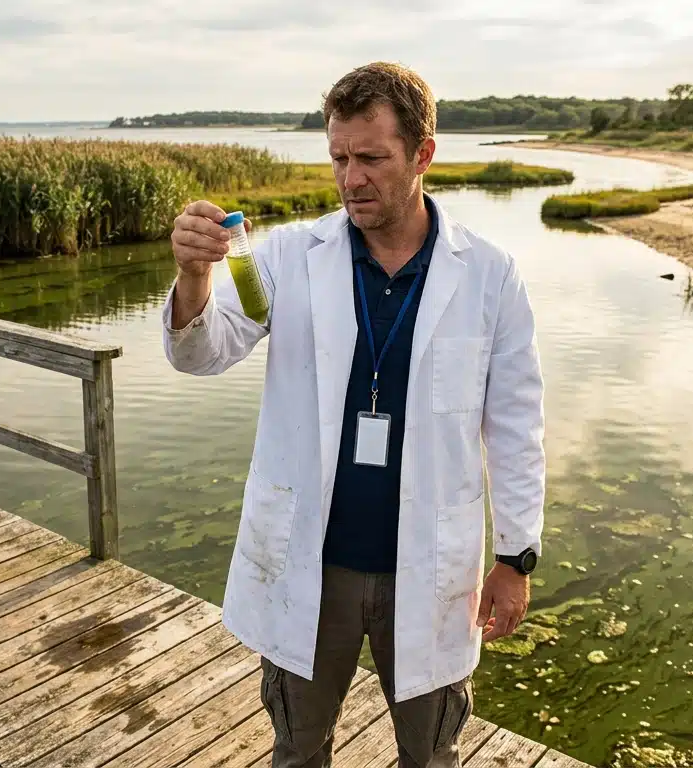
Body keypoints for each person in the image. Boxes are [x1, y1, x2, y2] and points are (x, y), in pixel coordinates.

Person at [161, 61, 546, 768]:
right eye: (338, 157)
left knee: (429, 756)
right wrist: (194, 278)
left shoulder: (489, 275)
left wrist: (515, 557)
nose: (350, 179)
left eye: (371, 158)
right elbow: (206, 351)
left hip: (430, 569)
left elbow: (517, 425)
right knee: (298, 748)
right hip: (312, 563)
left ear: (423, 154)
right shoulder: (281, 259)